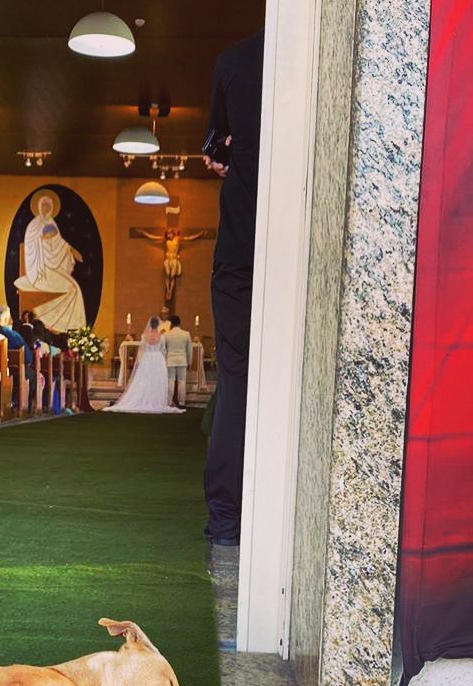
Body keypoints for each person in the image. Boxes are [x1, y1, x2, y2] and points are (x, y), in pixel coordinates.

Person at [202, 29, 264, 547]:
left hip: (240, 252)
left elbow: (213, 146)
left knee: (237, 384)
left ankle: (226, 520)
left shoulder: (233, 60)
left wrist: (224, 152)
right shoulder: (318, 59)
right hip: (293, 253)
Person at [13, 189, 86, 332]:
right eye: (44, 205)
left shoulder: (52, 223)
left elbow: (59, 245)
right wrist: (43, 240)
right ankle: (47, 317)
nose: (46, 209)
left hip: (52, 269)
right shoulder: (34, 226)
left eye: (49, 206)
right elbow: (33, 247)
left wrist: (70, 250)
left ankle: (66, 325)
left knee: (74, 288)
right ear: (39, 207)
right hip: (40, 271)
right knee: (73, 289)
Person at [102, 316, 184, 415]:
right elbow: (163, 349)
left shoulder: (144, 336)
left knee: (145, 380)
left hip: (147, 359)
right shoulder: (162, 336)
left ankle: (144, 399)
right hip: (158, 359)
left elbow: (143, 348)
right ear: (158, 325)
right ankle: (156, 401)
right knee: (157, 380)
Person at [163, 314, 194, 408]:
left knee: (170, 381)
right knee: (182, 381)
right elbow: (189, 349)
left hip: (170, 360)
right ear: (179, 323)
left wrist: (164, 360)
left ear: (171, 324)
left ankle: (169, 401)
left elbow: (164, 349)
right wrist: (189, 361)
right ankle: (181, 402)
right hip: (182, 360)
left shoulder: (166, 334)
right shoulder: (186, 334)